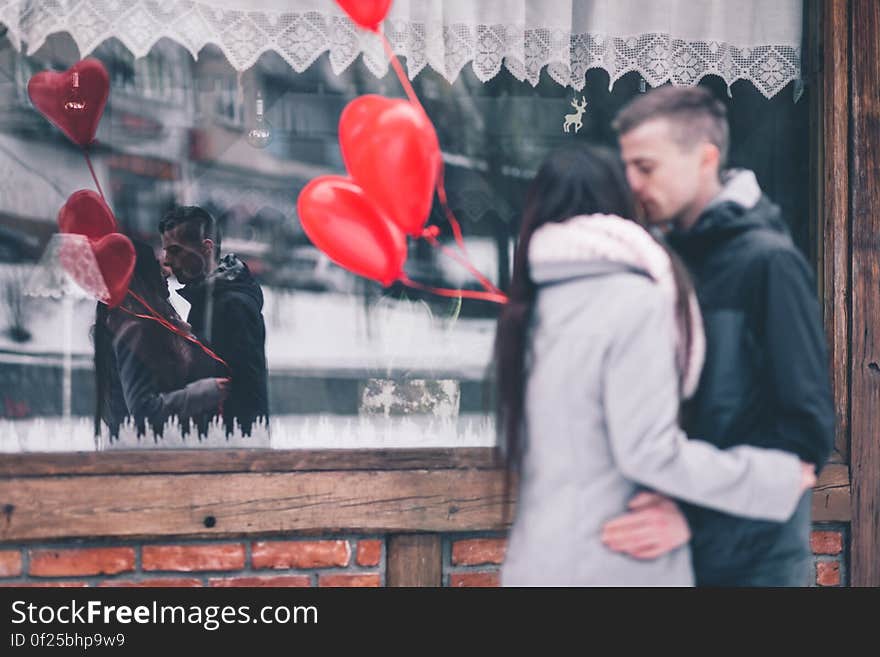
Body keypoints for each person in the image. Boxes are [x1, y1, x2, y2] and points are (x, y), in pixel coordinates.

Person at [496, 146, 816, 586]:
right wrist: (771, 479)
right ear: (620, 206)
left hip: (537, 562)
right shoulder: (635, 300)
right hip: (617, 562)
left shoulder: (527, 310)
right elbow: (649, 451)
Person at [605, 85, 835, 586]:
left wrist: (691, 520)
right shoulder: (662, 261)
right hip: (673, 564)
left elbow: (806, 438)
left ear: (705, 158)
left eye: (646, 167)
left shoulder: (768, 263)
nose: (632, 184)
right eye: (627, 168)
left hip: (753, 569)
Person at [94, 240, 229, 438]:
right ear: (142, 276)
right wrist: (206, 392)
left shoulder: (146, 324)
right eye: (157, 267)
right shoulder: (135, 330)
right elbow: (143, 410)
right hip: (147, 457)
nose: (166, 273)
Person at [159, 206, 269, 435]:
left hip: (228, 448)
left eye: (175, 251)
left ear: (206, 248)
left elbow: (246, 388)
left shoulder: (231, 304)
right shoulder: (209, 299)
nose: (167, 261)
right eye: (166, 252)